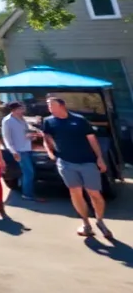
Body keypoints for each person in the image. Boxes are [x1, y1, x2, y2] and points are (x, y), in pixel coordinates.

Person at [42, 96, 113, 239]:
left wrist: (99, 158)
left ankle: (100, 221)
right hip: (66, 163)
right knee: (75, 192)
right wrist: (50, 152)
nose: (49, 108)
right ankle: (85, 223)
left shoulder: (79, 120)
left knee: (94, 194)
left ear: (62, 106)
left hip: (87, 162)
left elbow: (92, 140)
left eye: (51, 105)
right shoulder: (48, 121)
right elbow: (46, 138)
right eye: (48, 106)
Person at [0, 101, 41, 203]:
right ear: (14, 110)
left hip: (28, 147)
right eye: (21, 108)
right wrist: (13, 152)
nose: (23, 110)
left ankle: (26, 190)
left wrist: (32, 136)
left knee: (27, 172)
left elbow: (25, 131)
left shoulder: (22, 118)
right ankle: (27, 194)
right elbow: (7, 138)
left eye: (23, 108)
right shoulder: (7, 121)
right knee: (29, 172)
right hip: (19, 150)